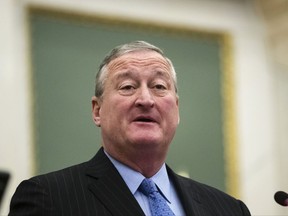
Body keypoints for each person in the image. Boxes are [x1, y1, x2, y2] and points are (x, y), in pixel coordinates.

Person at [9, 41, 251, 216]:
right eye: (127, 86)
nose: (146, 99)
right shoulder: (48, 198)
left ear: (176, 109)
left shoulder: (229, 209)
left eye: (158, 86)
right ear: (97, 111)